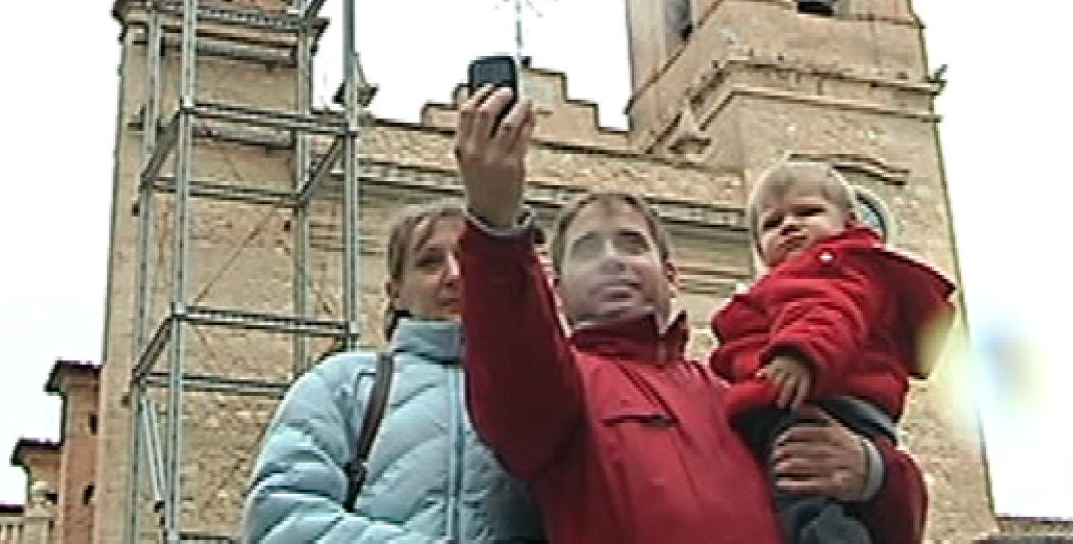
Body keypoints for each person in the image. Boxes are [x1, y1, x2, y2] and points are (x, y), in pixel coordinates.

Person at [452, 87, 927, 544]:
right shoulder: (560, 388)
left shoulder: (737, 395)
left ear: (670, 274)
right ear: (556, 288)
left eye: (632, 244)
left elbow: (894, 521)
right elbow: (511, 361)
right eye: (587, 250)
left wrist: (875, 474)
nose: (613, 260)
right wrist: (496, 226)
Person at [241, 200, 542, 543]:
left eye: (469, 260)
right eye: (430, 263)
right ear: (395, 292)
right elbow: (281, 519)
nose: (455, 276)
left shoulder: (539, 394)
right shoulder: (343, 385)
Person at [709, 159, 956, 543]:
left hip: (823, 400)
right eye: (773, 224)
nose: (790, 225)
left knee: (804, 498)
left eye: (807, 212)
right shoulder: (800, 278)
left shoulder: (832, 268)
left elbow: (830, 314)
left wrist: (798, 355)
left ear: (851, 222)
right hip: (821, 402)